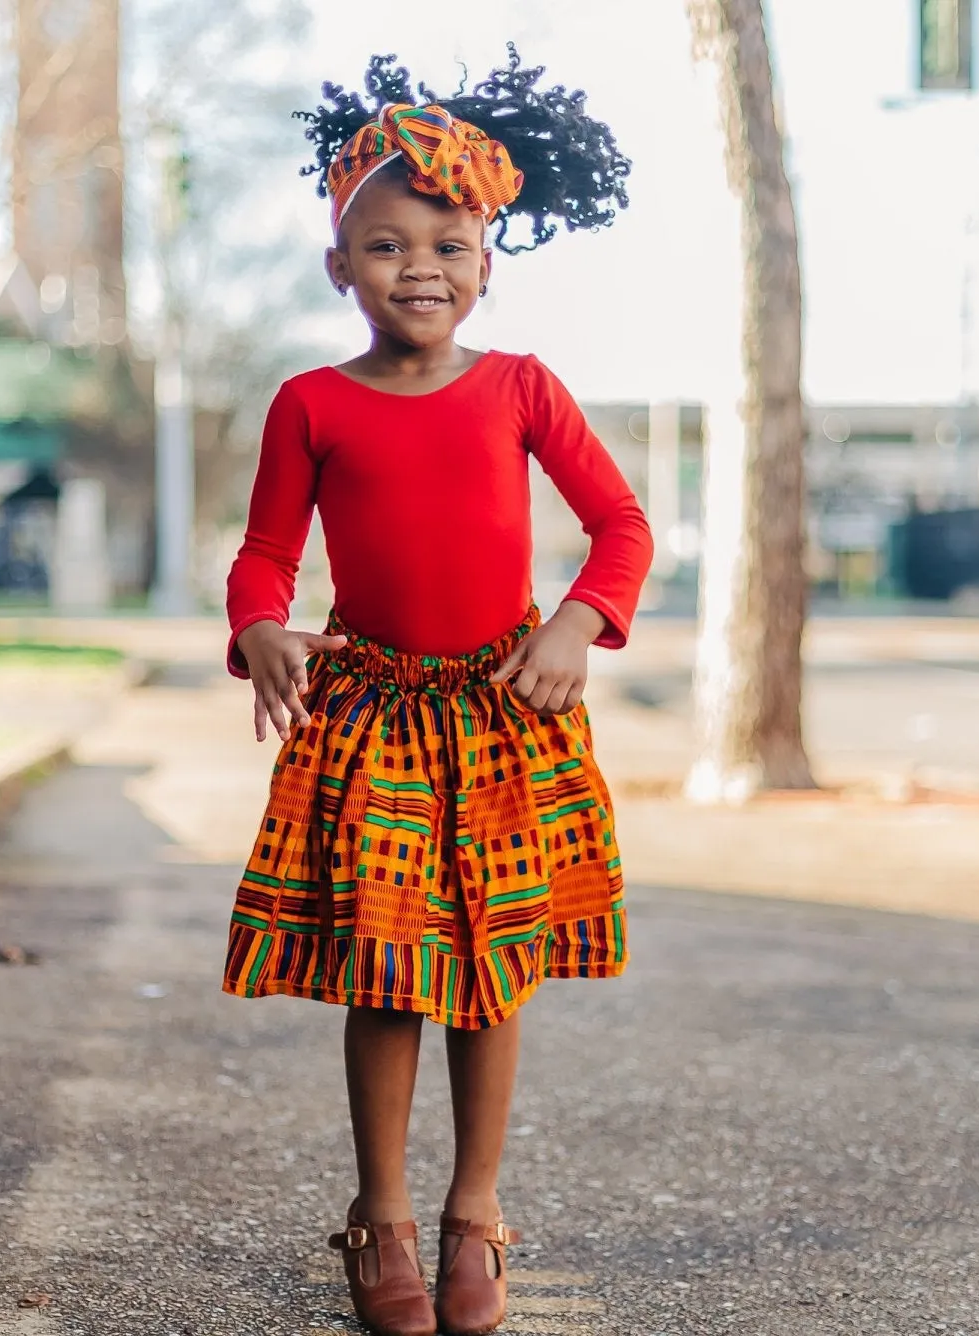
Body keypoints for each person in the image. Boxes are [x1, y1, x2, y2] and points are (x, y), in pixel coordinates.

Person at [222, 50, 653, 1336]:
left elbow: (620, 525)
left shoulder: (520, 387)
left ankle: (475, 1213)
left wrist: (580, 620)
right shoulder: (308, 404)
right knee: (389, 975)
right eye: (385, 242)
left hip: (502, 715)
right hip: (373, 719)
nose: (419, 265)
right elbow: (262, 554)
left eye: (448, 242)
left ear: (485, 261)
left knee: (493, 970)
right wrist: (258, 626)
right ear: (337, 265)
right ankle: (382, 1219)